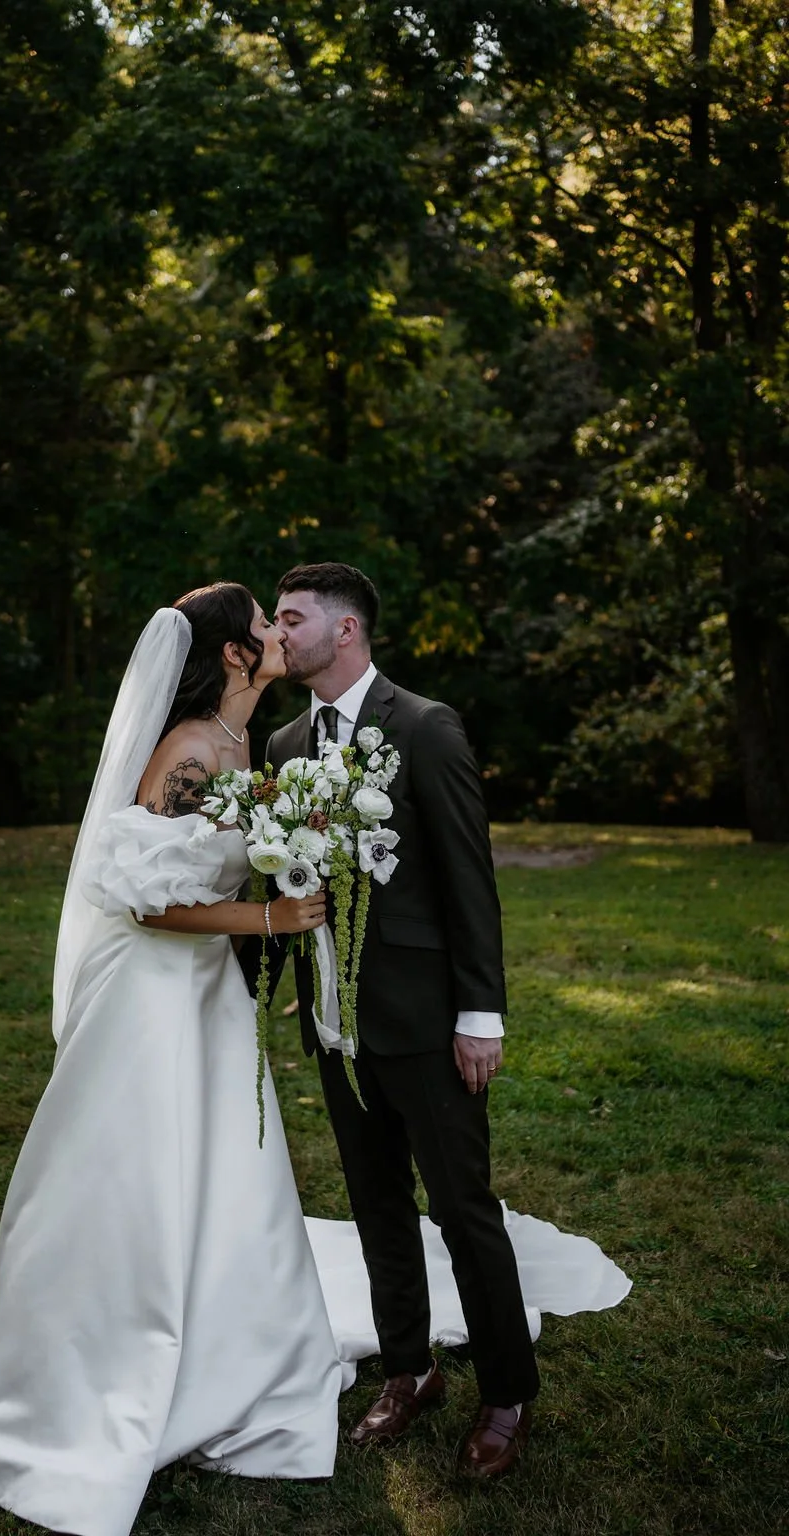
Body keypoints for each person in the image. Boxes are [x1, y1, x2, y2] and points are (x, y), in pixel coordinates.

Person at [0, 584, 343, 1536]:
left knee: (225, 1169)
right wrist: (268, 915)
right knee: (139, 1172)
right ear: (238, 656)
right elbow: (141, 899)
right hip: (152, 992)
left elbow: (231, 854)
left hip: (205, 989)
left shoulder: (247, 743)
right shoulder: (191, 749)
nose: (277, 633)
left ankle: (233, 1343)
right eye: (265, 624)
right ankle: (106, 1358)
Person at [267, 560, 538, 1479]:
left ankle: (505, 1395)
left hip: (428, 1023)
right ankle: (409, 1369)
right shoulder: (282, 746)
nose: (278, 631)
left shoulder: (423, 728)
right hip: (338, 1025)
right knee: (378, 1206)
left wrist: (480, 1016)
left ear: (344, 630)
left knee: (463, 1209)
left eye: (292, 618)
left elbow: (471, 881)